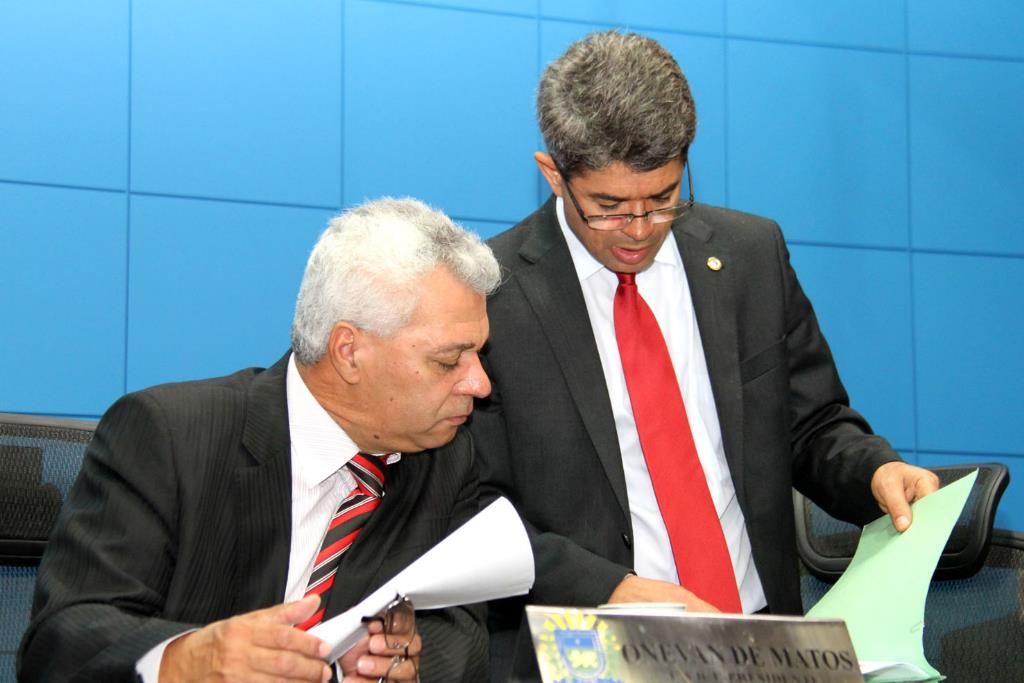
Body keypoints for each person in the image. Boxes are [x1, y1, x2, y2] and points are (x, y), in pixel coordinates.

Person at [469, 29, 940, 673]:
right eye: (608, 206)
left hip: (763, 643)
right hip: (595, 649)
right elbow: (473, 508)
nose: (639, 230)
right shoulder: (489, 296)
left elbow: (812, 426)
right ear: (553, 174)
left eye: (663, 199)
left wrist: (874, 472)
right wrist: (608, 588)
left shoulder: (750, 256)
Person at [19, 198, 499, 683]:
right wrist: (186, 659)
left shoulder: (446, 457)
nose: (480, 384)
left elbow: (459, 631)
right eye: (448, 360)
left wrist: (402, 665)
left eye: (479, 354)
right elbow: (62, 641)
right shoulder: (169, 437)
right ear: (349, 351)